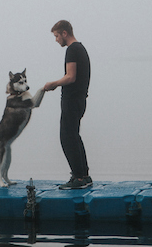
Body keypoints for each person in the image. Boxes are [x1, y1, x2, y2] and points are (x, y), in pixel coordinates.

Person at [43, 20, 92, 189]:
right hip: (79, 100)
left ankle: (78, 178)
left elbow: (70, 77)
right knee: (74, 137)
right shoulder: (81, 48)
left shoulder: (72, 50)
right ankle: (84, 175)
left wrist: (53, 84)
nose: (56, 39)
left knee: (67, 138)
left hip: (72, 100)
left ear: (65, 33)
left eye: (57, 36)